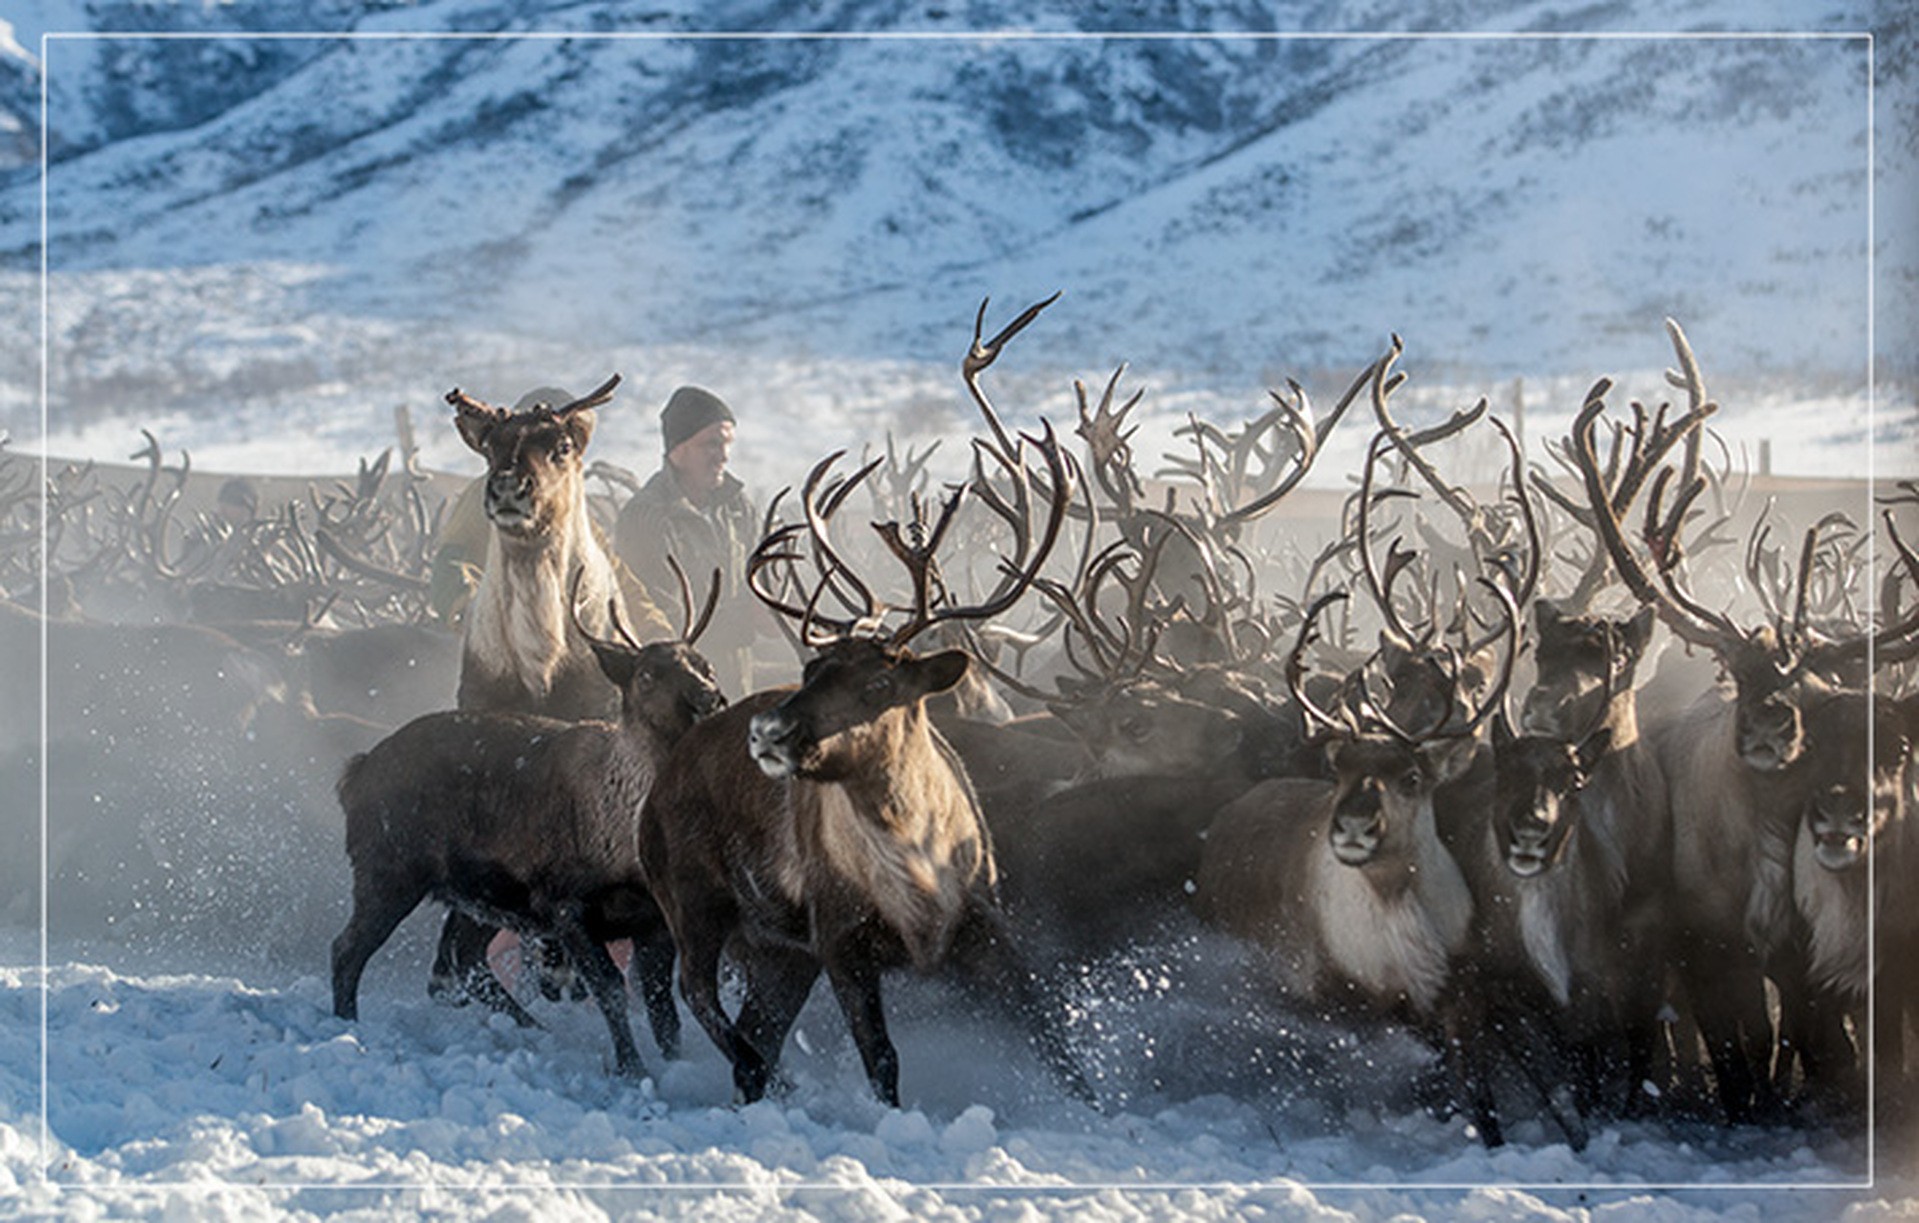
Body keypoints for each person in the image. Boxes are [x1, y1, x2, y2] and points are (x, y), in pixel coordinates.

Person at [614, 385, 761, 696]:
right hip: (681, 697)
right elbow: (660, 622)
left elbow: (762, 578)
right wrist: (746, 621)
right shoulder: (645, 518)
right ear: (677, 450)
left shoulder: (738, 507)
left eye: (727, 443)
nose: (723, 455)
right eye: (711, 444)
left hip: (737, 687)